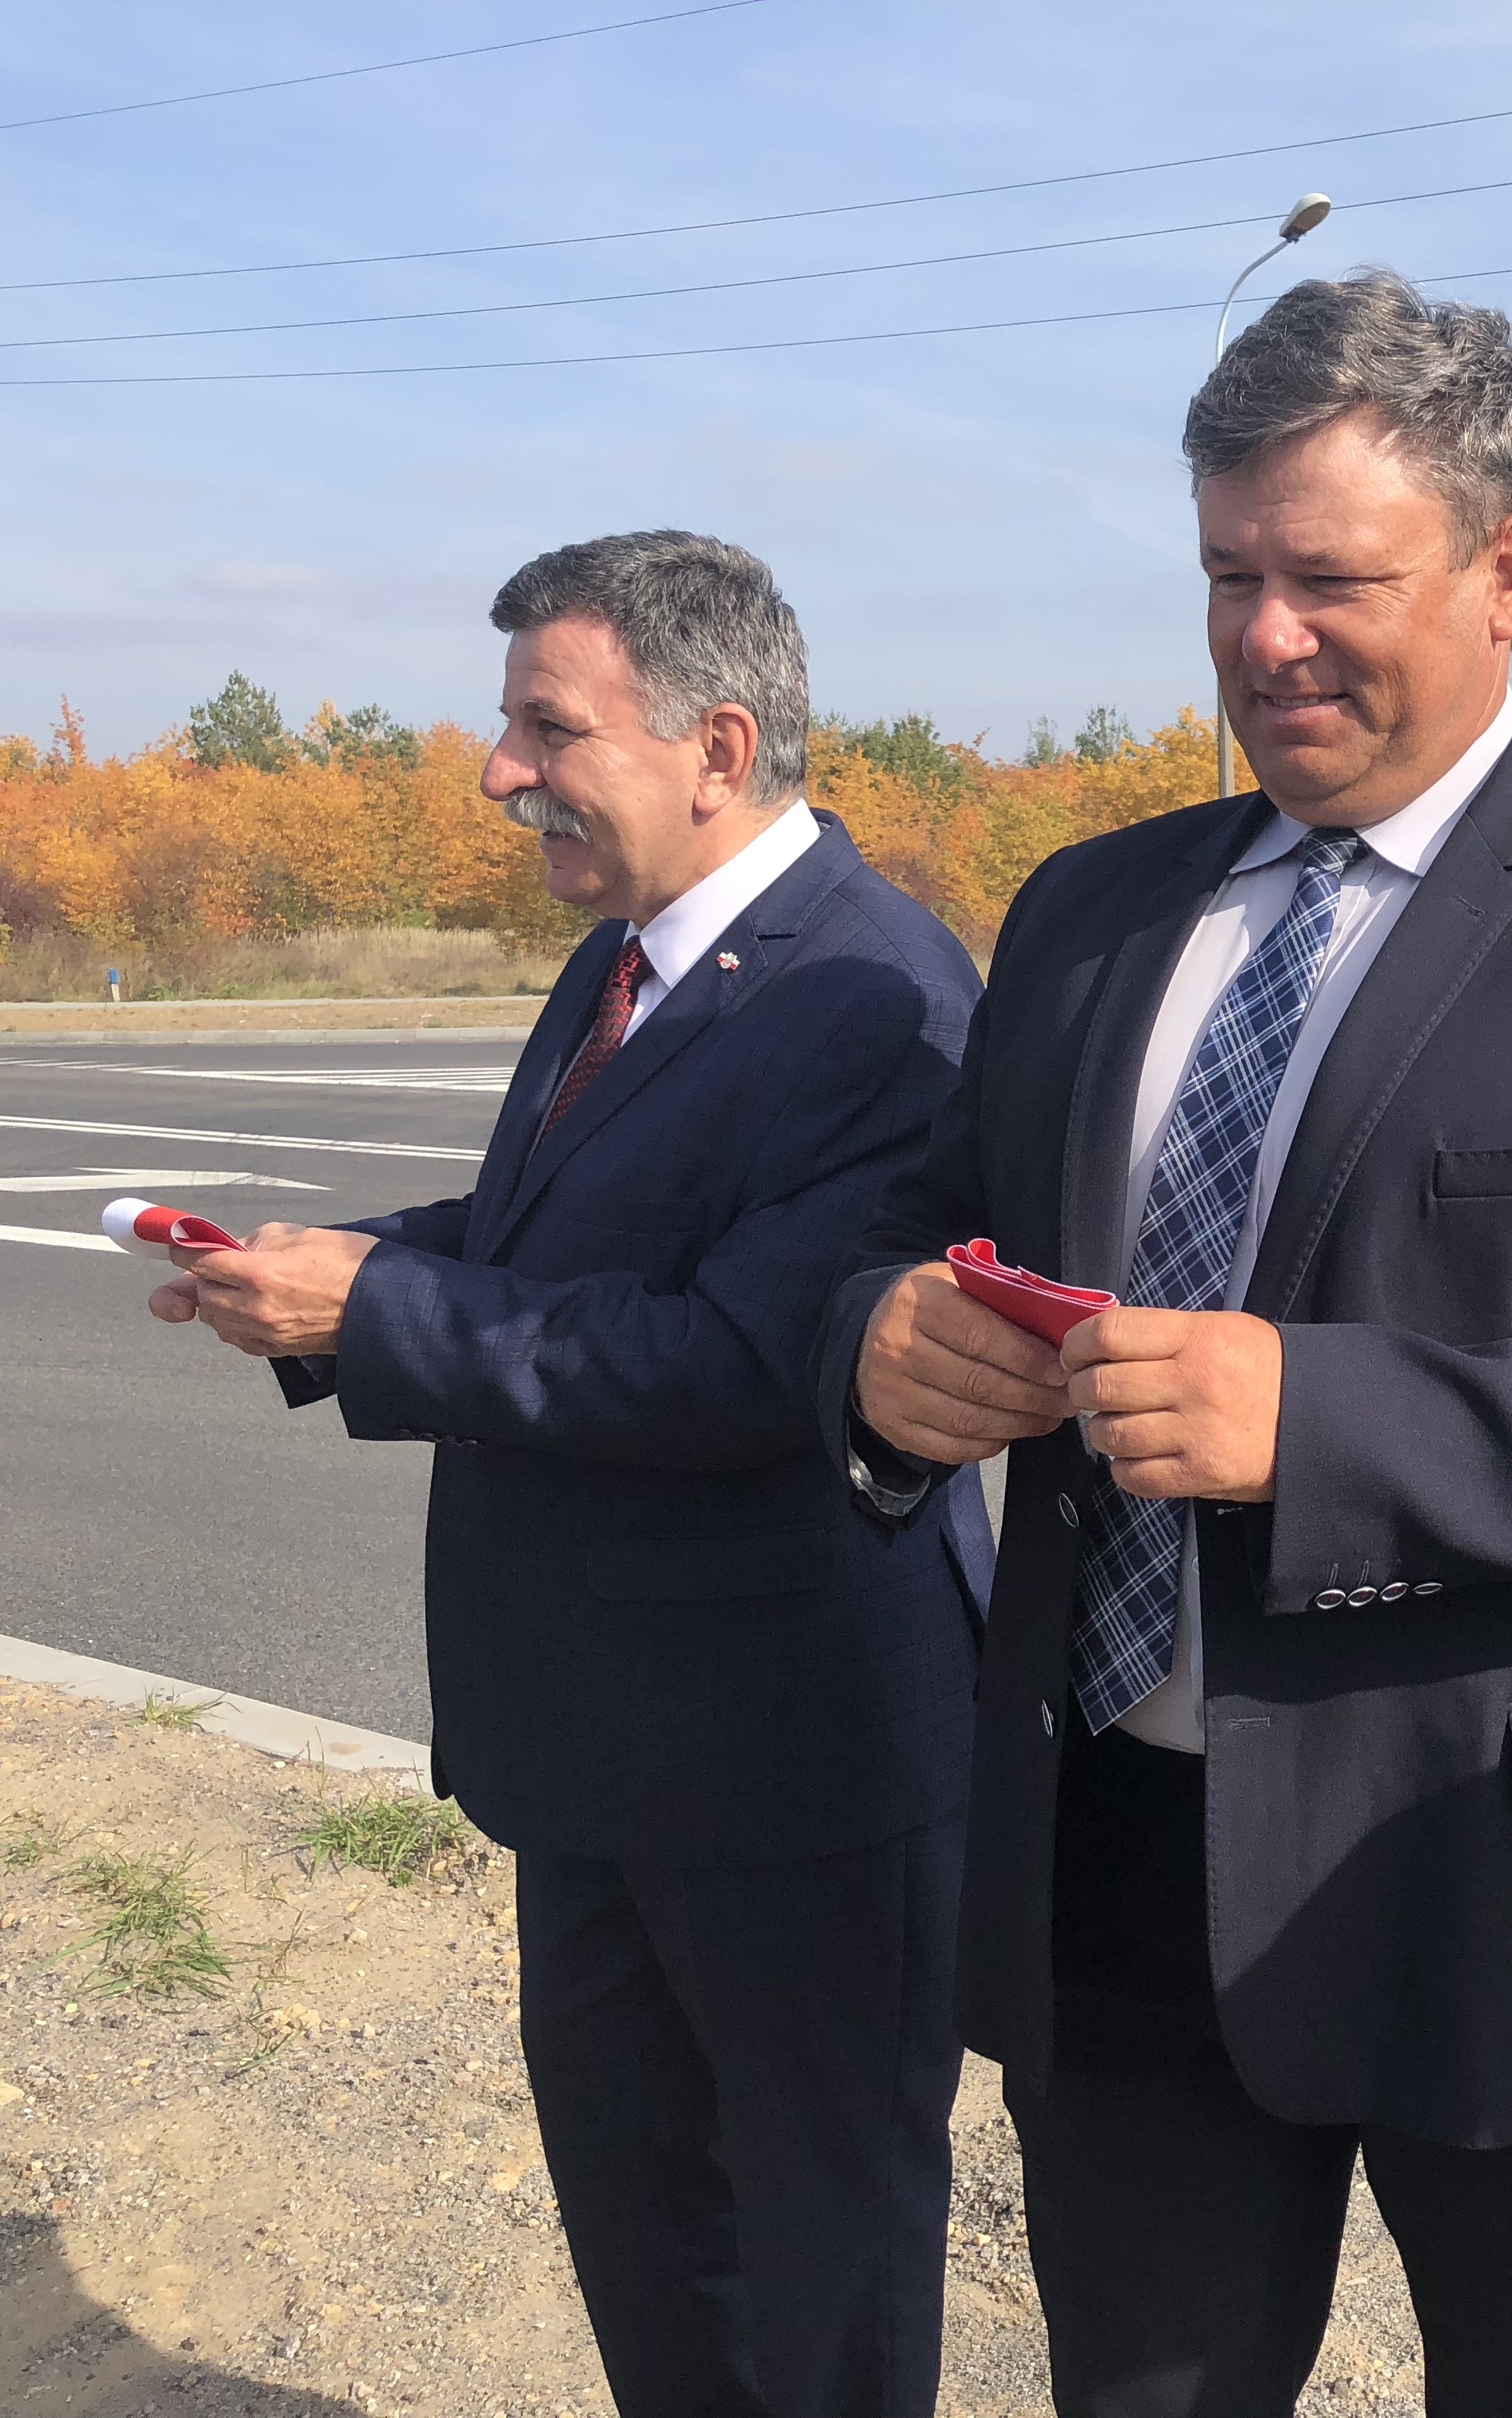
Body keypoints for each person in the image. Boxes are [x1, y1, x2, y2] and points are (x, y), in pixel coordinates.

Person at [818, 270, 1512, 2416]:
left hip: (1507, 1860)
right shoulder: (1091, 912)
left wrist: (1314, 1417)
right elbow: (913, 1233)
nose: (1267, 640)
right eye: (1232, 577)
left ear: (1507, 573)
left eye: (1330, 580)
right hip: (1115, 1848)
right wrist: (882, 1339)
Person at [150, 531, 992, 2418]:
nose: (496, 771)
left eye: (547, 726)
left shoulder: (877, 997)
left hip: (791, 1766)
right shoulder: (624, 956)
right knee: (650, 2243)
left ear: (716, 746)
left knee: (822, 2278)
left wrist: (377, 1314)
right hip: (605, 1745)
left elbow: (747, 1360)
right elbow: (559, 1235)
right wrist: (329, 1271)